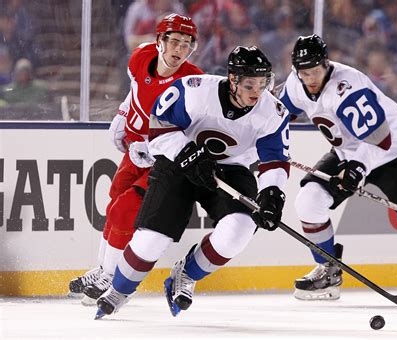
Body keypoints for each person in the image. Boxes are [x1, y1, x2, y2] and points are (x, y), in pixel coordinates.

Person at [95, 45, 290, 317]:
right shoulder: (196, 91)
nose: (257, 92)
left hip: (230, 169)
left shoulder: (272, 112)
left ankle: (185, 274)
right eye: (249, 84)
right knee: (152, 239)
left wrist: (272, 193)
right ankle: (120, 289)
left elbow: (275, 160)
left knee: (240, 229)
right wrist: (185, 152)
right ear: (233, 79)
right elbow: (158, 124)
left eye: (262, 83)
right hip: (177, 163)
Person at [278, 34, 397, 301]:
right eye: (303, 73)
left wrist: (358, 168)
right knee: (309, 201)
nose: (309, 78)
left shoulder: (348, 89)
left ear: (326, 64)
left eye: (313, 71)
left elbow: (380, 139)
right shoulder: (296, 83)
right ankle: (329, 271)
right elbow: (276, 116)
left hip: (392, 154)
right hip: (346, 152)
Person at [68, 13, 204, 303]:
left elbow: (192, 131)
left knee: (125, 210)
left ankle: (113, 279)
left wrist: (155, 148)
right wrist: (122, 115)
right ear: (159, 41)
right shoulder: (140, 57)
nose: (180, 50)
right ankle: (104, 270)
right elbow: (136, 93)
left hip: (162, 160)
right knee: (115, 202)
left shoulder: (194, 82)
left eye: (186, 44)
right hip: (134, 150)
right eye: (175, 42)